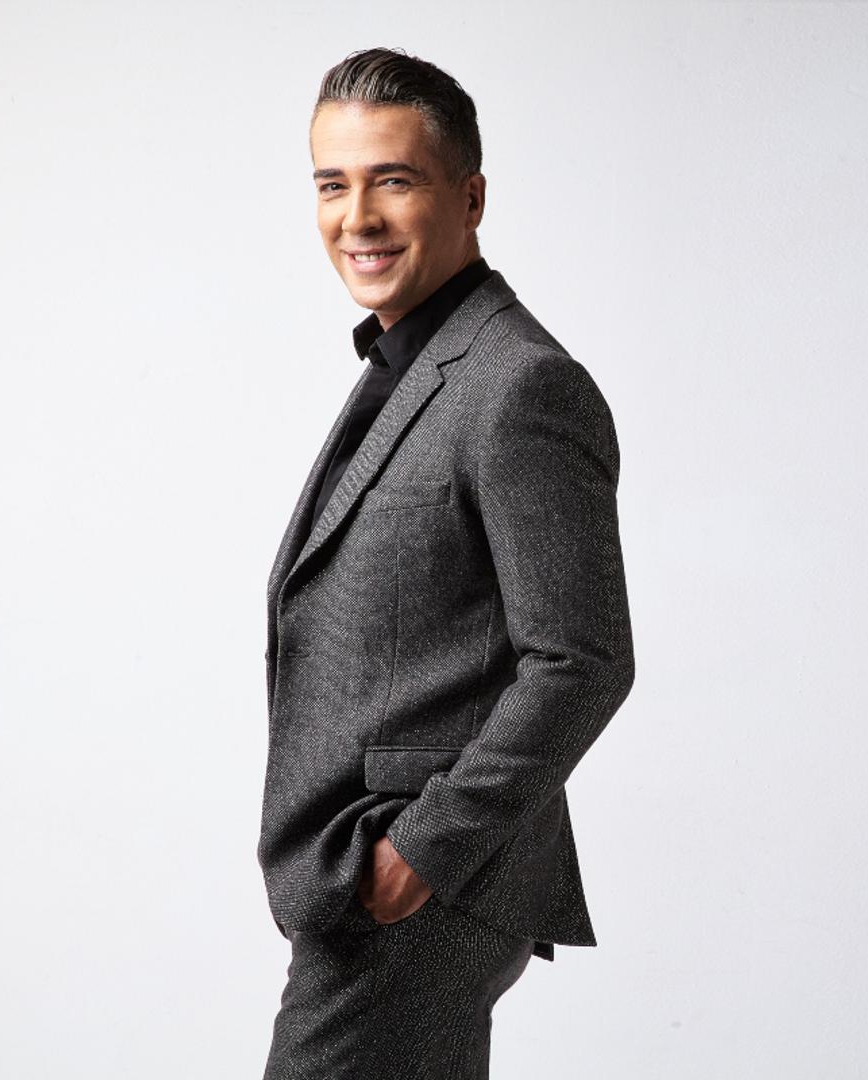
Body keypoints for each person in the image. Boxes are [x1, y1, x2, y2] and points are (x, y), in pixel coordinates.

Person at [257, 47, 636, 1078]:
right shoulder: (413, 361)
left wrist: (420, 854)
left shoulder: (520, 386)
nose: (358, 217)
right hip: (357, 881)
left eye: (393, 180)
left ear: (470, 197)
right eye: (332, 185)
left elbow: (583, 659)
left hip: (419, 891)